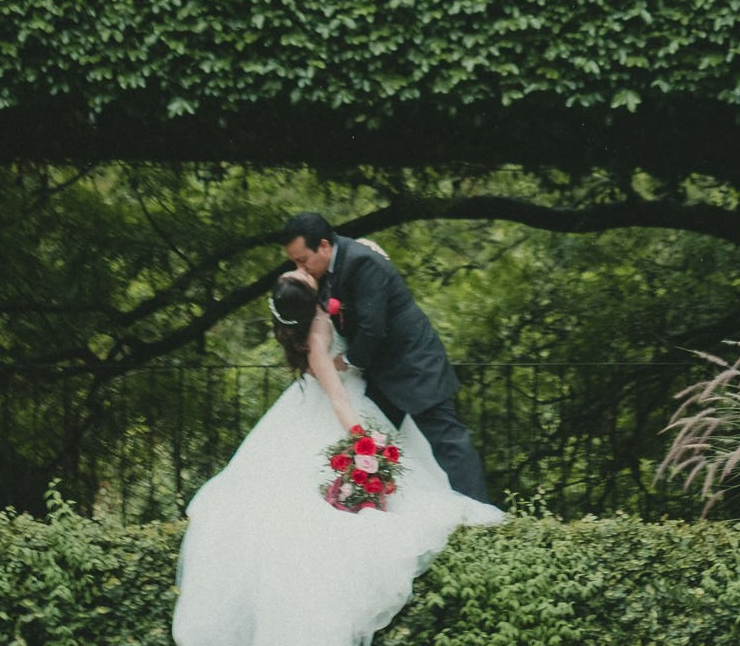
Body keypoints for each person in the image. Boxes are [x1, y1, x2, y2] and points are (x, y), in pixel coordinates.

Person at [170, 267, 501, 646]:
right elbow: (339, 399)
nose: (302, 269)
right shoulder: (317, 335)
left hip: (316, 403)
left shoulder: (310, 312)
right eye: (301, 275)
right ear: (310, 302)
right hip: (343, 408)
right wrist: (364, 445)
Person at [280, 211, 492, 504]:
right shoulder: (327, 270)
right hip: (379, 374)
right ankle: (365, 505)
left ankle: (480, 519)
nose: (299, 267)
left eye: (303, 260)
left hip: (414, 365)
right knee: (370, 445)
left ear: (325, 246)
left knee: (449, 443)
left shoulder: (361, 262)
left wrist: (343, 362)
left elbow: (372, 328)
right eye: (294, 262)